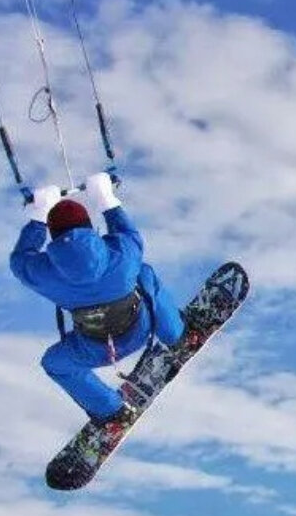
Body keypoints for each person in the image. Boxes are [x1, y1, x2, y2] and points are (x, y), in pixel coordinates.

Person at [10, 170, 185, 429]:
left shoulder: (44, 274)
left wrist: (38, 217)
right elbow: (129, 235)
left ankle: (111, 409)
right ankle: (175, 334)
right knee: (145, 273)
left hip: (94, 349)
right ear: (89, 228)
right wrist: (106, 199)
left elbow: (20, 261)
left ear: (53, 235)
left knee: (55, 364)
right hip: (139, 328)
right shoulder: (121, 254)